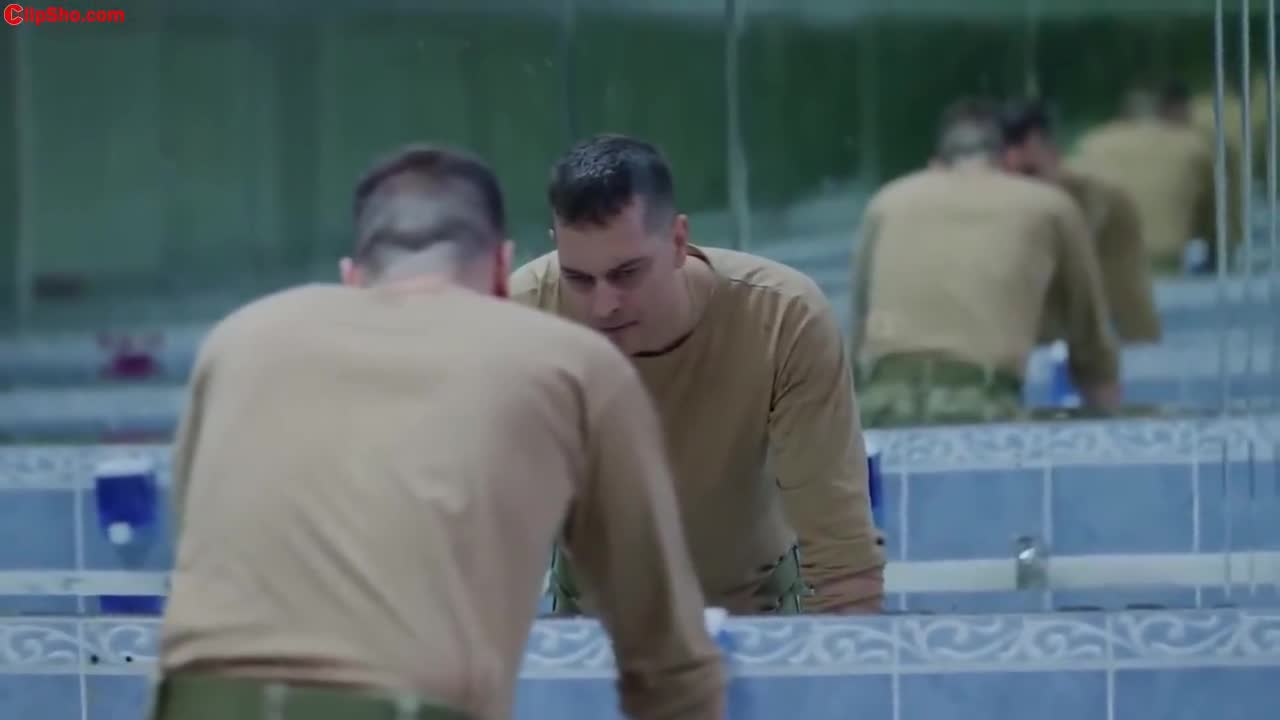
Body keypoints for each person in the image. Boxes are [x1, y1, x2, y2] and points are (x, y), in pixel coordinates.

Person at [153, 144, 725, 720]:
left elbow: (193, 541)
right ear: (501, 271)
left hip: (199, 704)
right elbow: (668, 664)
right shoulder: (572, 365)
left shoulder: (239, 341)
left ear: (353, 279)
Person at [511, 134, 884, 616]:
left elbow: (843, 565)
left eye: (627, 274)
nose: (603, 306)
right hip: (590, 616)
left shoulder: (782, 319)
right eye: (579, 279)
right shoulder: (520, 320)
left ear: (678, 241)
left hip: (758, 613)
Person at [851, 98, 1121, 427]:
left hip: (879, 401)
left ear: (936, 163)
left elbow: (858, 333)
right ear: (1006, 158)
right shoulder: (1049, 206)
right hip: (982, 403)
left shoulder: (886, 202)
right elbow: (1091, 348)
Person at [998, 98, 1163, 343]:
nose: (1022, 189)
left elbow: (1131, 313)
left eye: (1029, 173)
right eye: (1008, 177)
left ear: (1055, 156)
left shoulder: (1103, 204)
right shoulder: (987, 209)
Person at [1071, 82, 1226, 273]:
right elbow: (1220, 222)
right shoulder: (1192, 145)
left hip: (1102, 261)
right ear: (1171, 110)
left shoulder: (1089, 144)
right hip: (1165, 259)